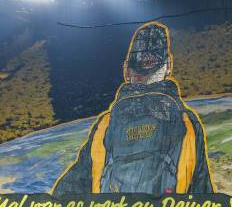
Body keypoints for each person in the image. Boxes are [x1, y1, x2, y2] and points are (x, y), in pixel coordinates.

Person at [52, 21, 214, 195]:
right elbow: (202, 190)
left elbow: (74, 185)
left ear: (127, 70)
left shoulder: (105, 124)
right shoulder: (187, 122)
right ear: (168, 66)